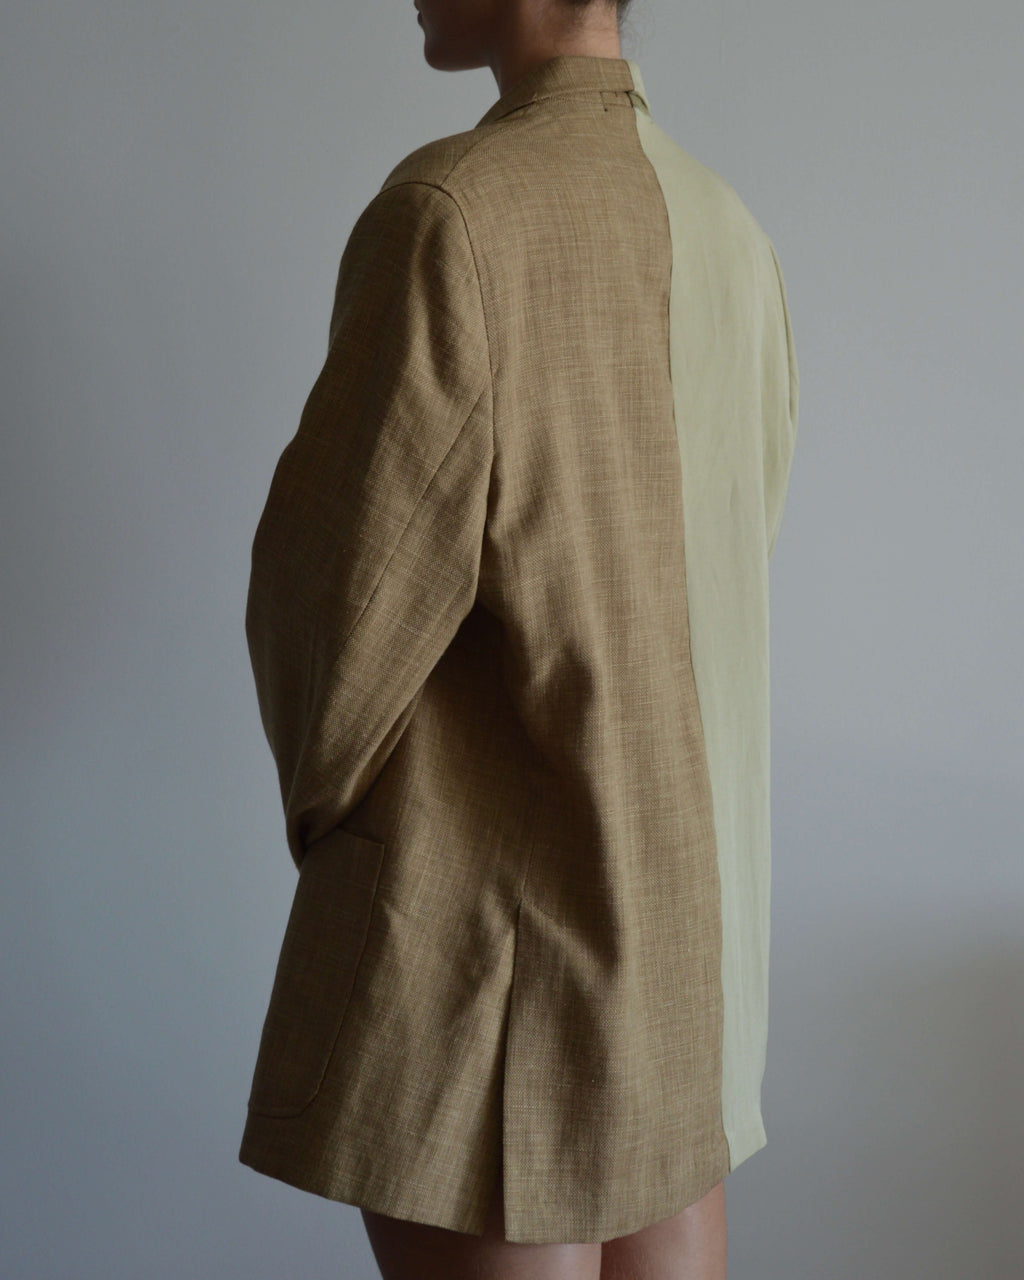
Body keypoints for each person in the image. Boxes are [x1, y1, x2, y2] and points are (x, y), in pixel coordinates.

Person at [238, 0, 799, 1277]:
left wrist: (332, 813)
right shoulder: (730, 228)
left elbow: (342, 589)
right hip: (686, 942)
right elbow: (732, 551)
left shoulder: (454, 212)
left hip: (495, 937)